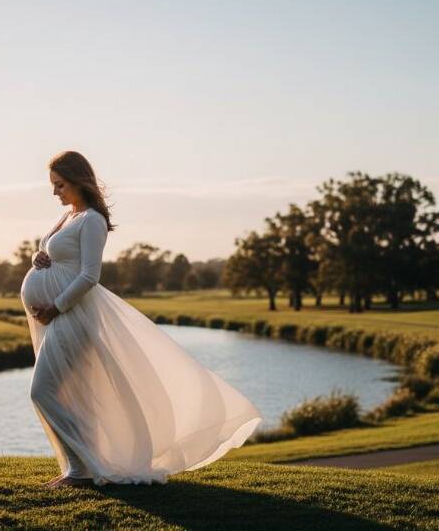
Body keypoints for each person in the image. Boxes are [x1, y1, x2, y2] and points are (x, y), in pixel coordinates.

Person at [20, 150, 262, 489]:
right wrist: (38, 256)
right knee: (72, 394)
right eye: (53, 185)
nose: (54, 192)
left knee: (42, 391)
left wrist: (56, 307)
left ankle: (79, 471)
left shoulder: (92, 220)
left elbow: (89, 276)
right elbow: (51, 250)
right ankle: (82, 467)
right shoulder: (67, 217)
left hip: (72, 316)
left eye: (59, 184)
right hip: (58, 317)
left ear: (77, 180)